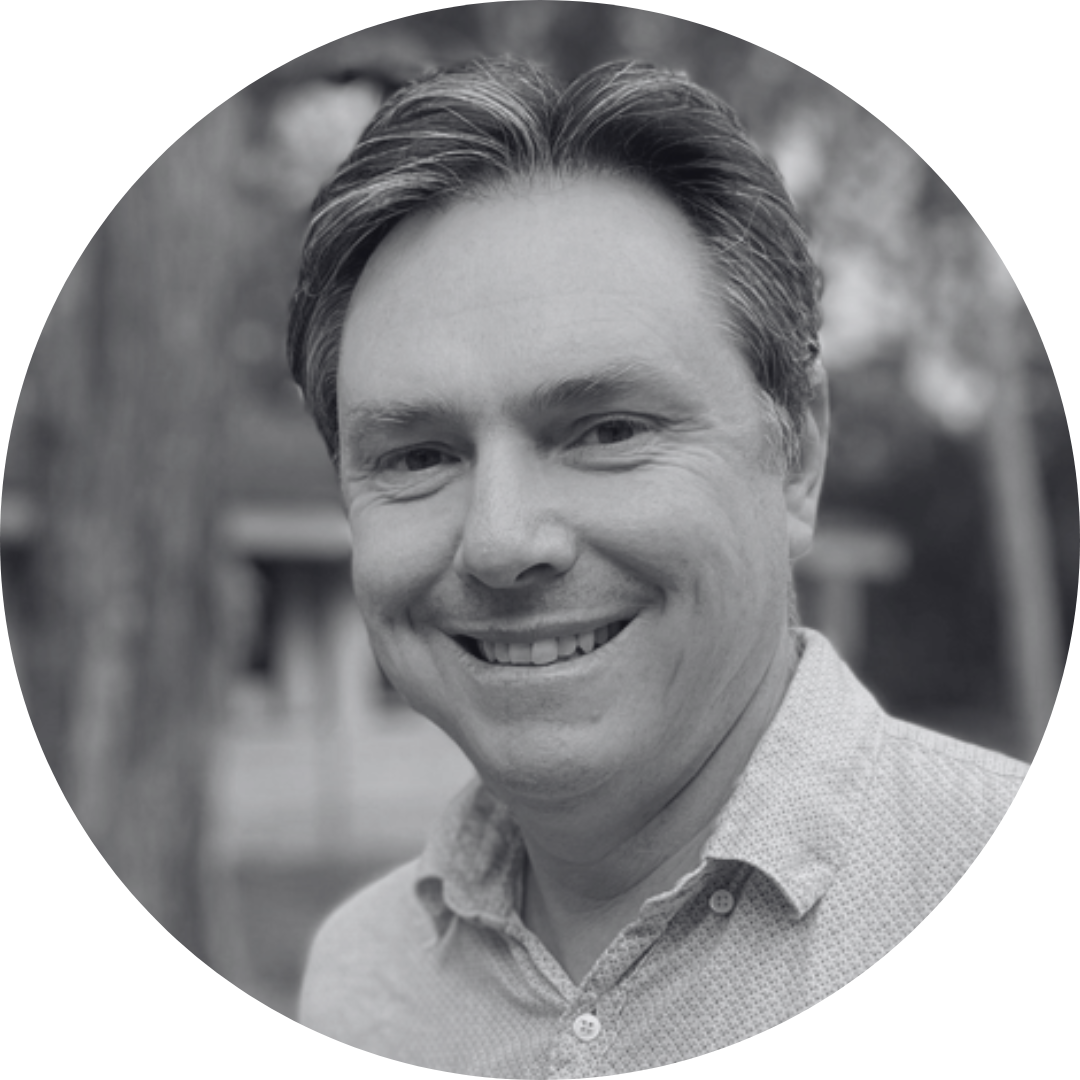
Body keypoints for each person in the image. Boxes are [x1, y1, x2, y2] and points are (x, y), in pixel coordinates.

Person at [287, 57, 1027, 1069]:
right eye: (418, 457)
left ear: (798, 456)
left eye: (608, 430)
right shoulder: (361, 978)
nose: (501, 540)